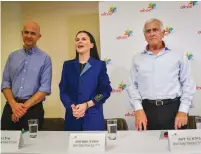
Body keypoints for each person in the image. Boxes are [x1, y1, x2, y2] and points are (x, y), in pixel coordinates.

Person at [127, 18, 196, 131]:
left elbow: (188, 83)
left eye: (155, 30)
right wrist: (138, 109)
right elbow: (132, 86)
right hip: (146, 111)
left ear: (163, 33)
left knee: (176, 148)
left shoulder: (178, 55)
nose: (152, 33)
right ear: (145, 36)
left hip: (174, 110)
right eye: (148, 31)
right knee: (148, 146)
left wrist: (183, 110)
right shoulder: (137, 59)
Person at [1, 21, 52, 130]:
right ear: (22, 33)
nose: (29, 36)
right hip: (11, 106)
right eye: (26, 32)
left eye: (33, 33)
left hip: (33, 110)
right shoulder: (12, 56)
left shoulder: (45, 59)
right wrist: (14, 105)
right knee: (6, 144)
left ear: (39, 36)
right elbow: (5, 83)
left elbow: (44, 89)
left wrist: (22, 108)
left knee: (33, 145)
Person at [59, 30, 112, 131]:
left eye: (83, 39)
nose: (79, 41)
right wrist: (72, 107)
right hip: (72, 119)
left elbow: (105, 91)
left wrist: (88, 104)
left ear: (91, 45)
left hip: (93, 120)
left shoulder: (99, 65)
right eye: (77, 40)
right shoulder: (67, 65)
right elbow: (63, 90)